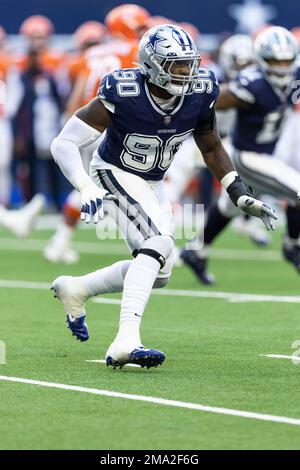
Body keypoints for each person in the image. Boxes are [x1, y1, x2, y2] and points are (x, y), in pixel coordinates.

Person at [50, 24, 276, 369]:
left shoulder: (201, 91)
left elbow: (211, 144)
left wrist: (237, 192)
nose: (188, 72)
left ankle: (77, 288)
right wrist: (85, 185)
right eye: (178, 65)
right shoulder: (124, 91)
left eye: (190, 63)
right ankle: (126, 341)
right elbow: (64, 142)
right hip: (114, 171)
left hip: (153, 181)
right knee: (157, 243)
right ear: (154, 64)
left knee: (160, 272)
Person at [180, 26, 300, 284]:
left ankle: (196, 251)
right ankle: (293, 245)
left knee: (228, 208)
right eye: (276, 60)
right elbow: (209, 100)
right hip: (247, 157)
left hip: (263, 156)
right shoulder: (251, 84)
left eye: (287, 60)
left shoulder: (294, 78)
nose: (282, 66)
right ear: (263, 59)